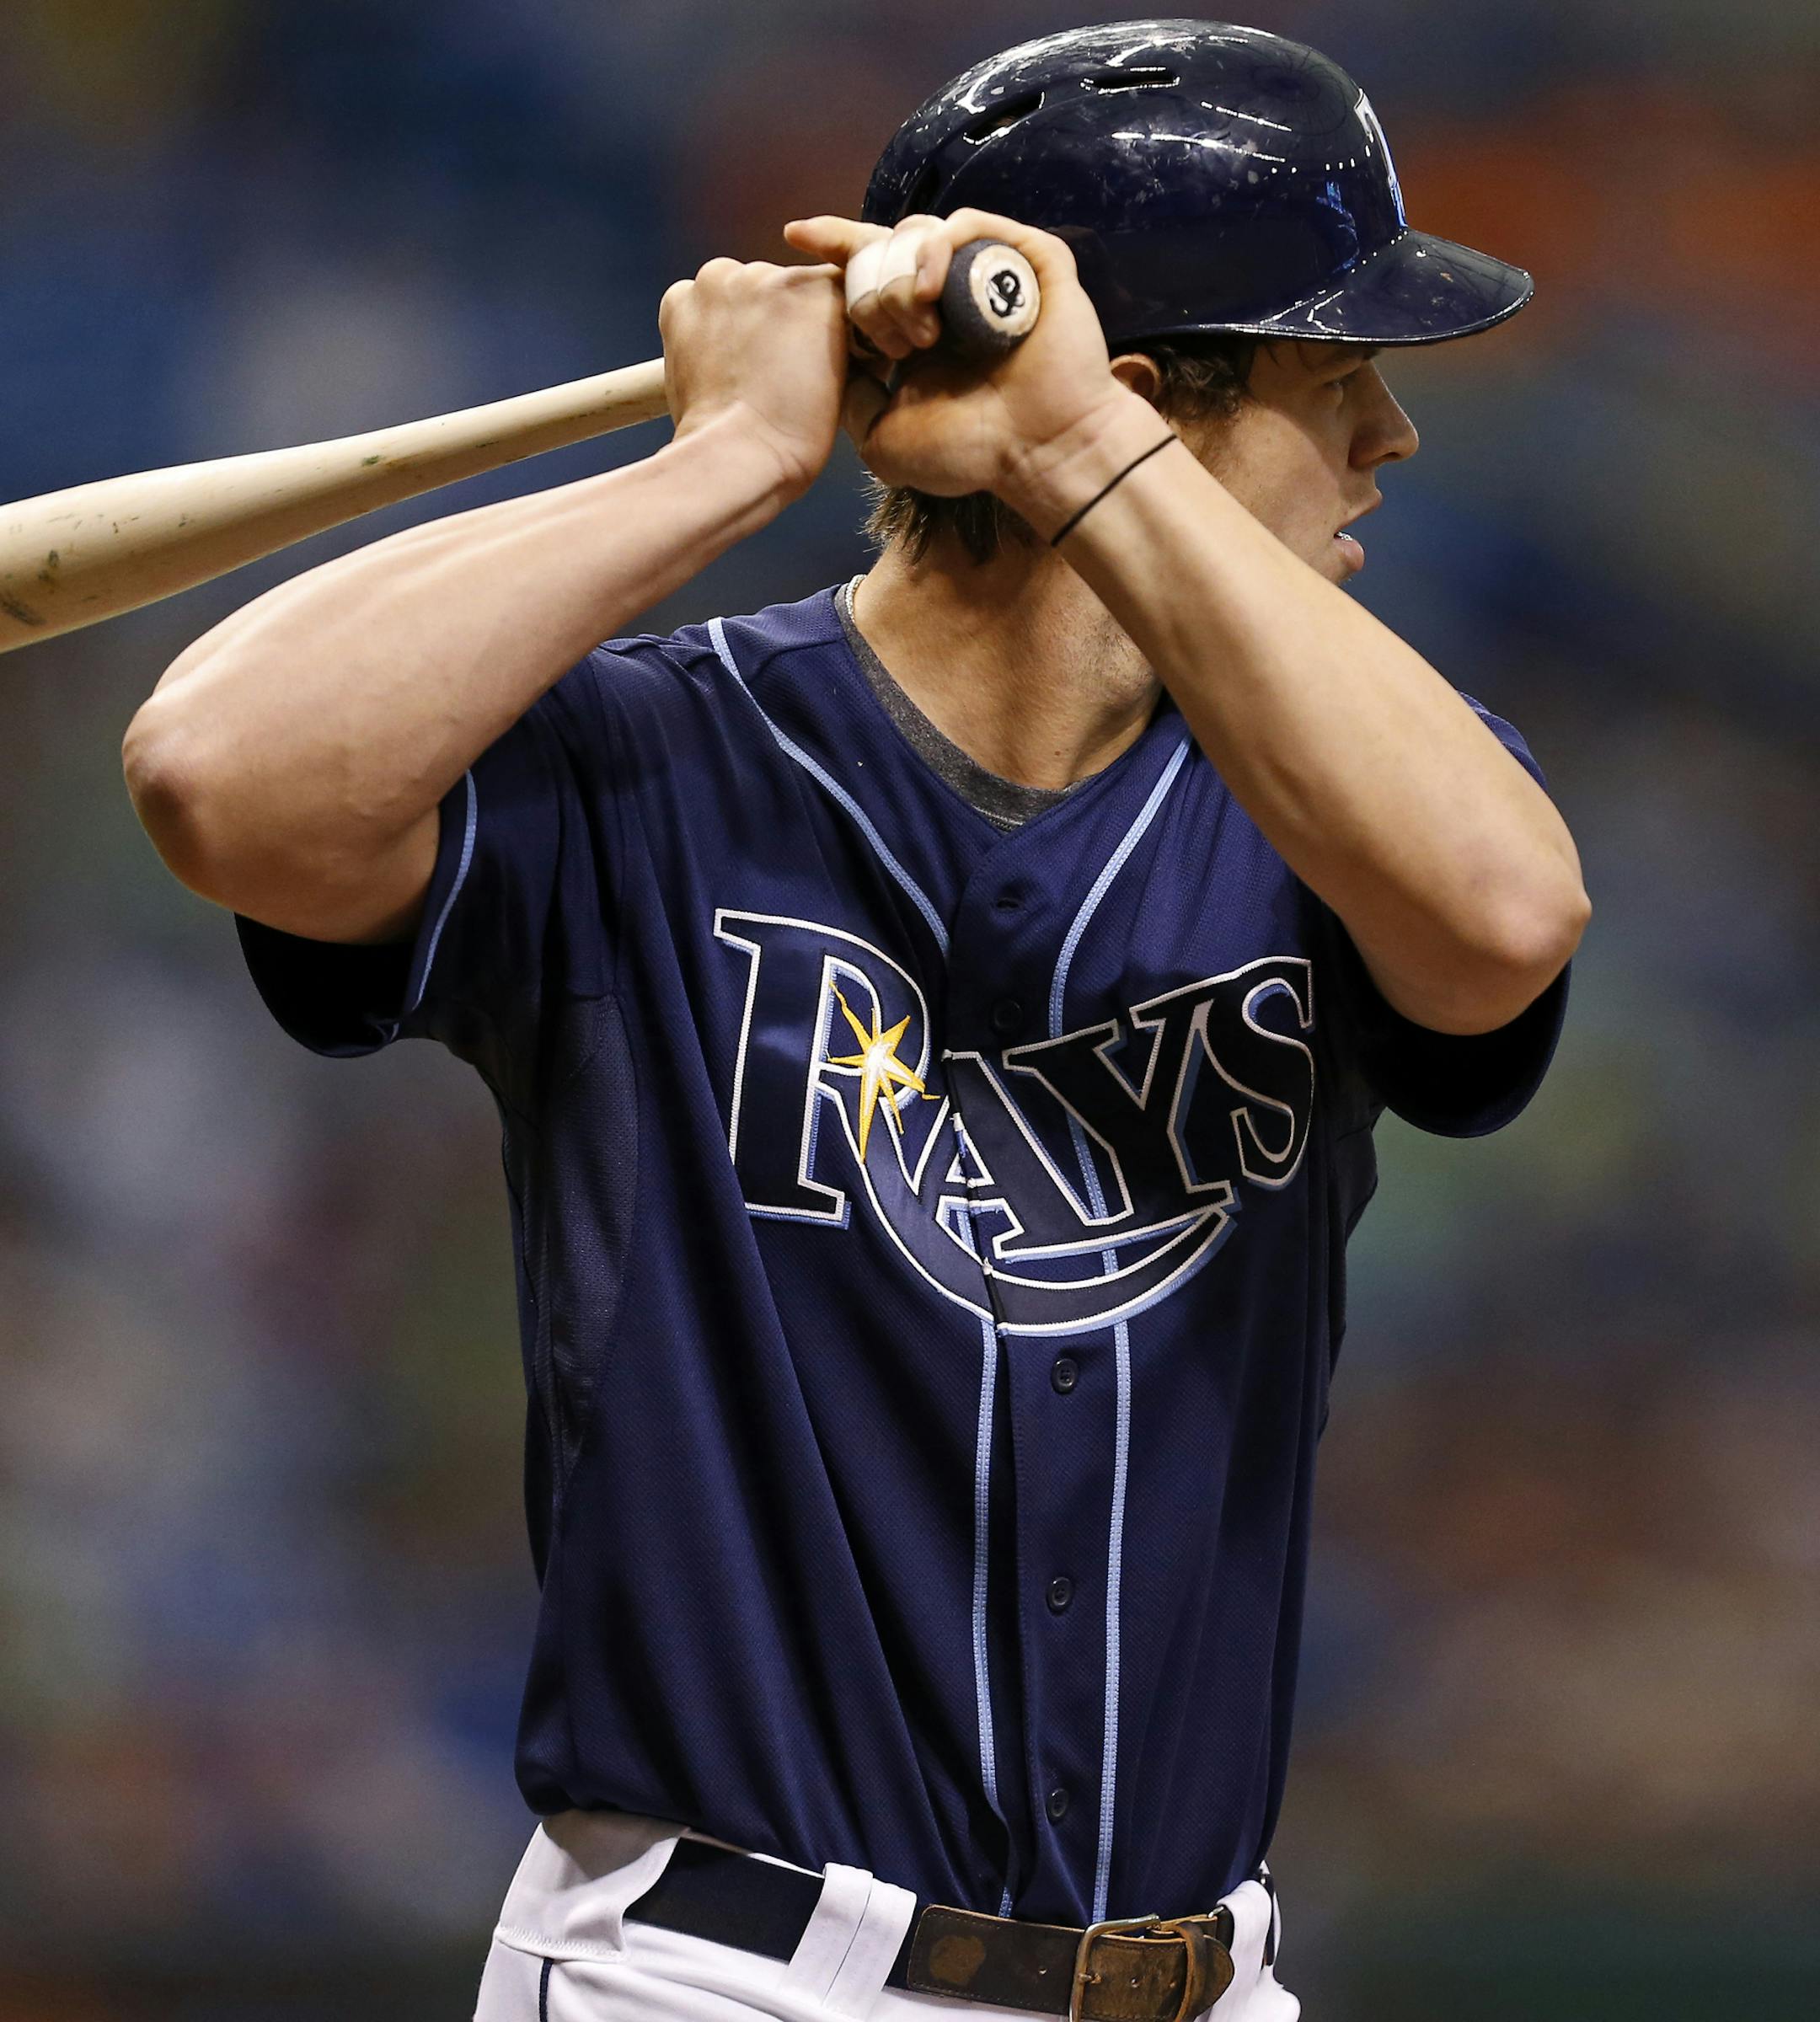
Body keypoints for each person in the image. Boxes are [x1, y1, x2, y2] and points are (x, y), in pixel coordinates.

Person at [122, 19, 1587, 2022]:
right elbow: (219, 776)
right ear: (1153, 387)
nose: (1390, 445)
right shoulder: (649, 761)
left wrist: (1078, 452)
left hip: (1197, 1976)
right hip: (726, 1970)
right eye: (1340, 383)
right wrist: (727, 461)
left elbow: (1506, 921)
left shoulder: (1343, 793)